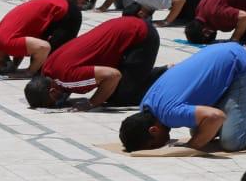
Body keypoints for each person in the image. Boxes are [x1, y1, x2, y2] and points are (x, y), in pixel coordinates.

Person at [118, 42, 246, 153]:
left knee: (232, 141)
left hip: (242, 66)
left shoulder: (168, 113)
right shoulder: (146, 105)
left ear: (153, 130)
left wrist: (191, 147)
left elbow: (216, 117)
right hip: (226, 55)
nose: (158, 147)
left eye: (152, 146)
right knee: (200, 131)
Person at [24, 15, 162, 110]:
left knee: (122, 98)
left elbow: (113, 75)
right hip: (123, 26)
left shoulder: (67, 79)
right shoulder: (47, 69)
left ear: (53, 91)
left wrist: (92, 103)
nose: (57, 103)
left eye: (52, 103)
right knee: (110, 91)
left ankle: (163, 73)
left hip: (140, 35)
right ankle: (142, 73)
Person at [0, 0, 82, 76]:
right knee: (38, 61)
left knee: (47, 68)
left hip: (67, 14)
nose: (2, 69)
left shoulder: (6, 45)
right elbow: (19, 45)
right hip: (56, 8)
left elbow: (44, 47)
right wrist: (15, 66)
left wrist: (29, 72)